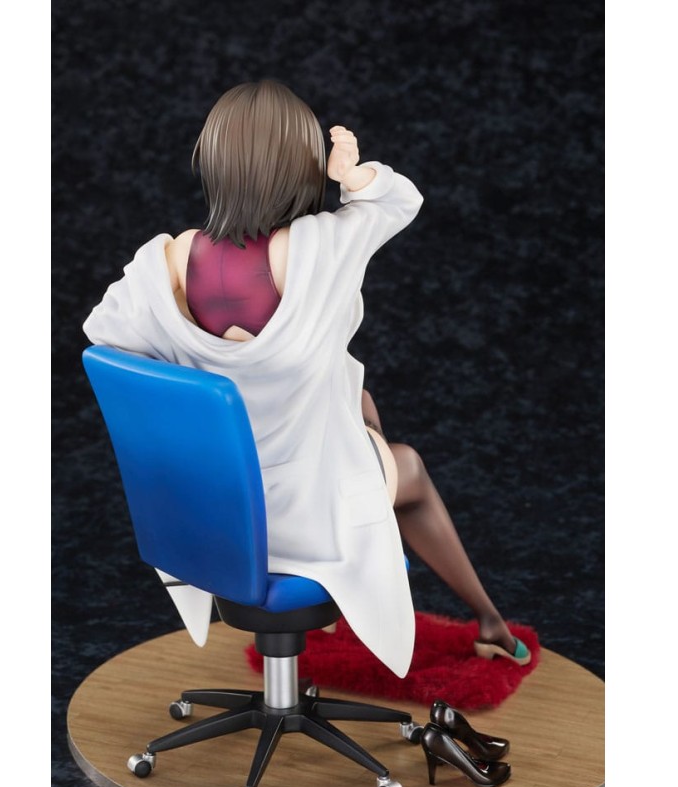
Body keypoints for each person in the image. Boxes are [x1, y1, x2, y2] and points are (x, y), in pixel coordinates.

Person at [84, 79, 529, 677]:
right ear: (300, 164)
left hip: (209, 506)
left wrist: (200, 378)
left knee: (360, 402)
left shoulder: (164, 260)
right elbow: (400, 202)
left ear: (211, 159)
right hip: (303, 515)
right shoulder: (320, 246)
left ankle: (367, 588)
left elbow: (107, 340)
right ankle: (490, 622)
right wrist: (351, 176)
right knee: (410, 469)